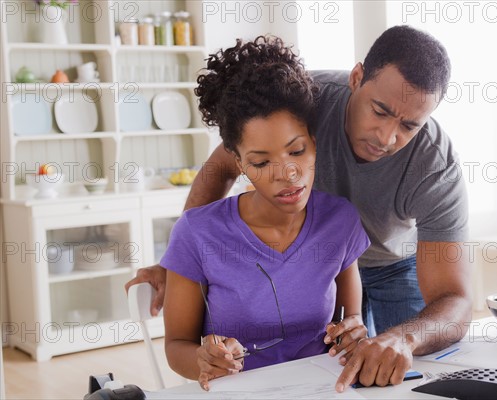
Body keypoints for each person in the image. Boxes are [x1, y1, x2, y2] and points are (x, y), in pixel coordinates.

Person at [126, 25, 472, 391]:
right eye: (380, 111)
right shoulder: (302, 101)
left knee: (406, 374)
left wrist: (404, 338)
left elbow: (456, 301)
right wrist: (180, 262)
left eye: (409, 125)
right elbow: (223, 166)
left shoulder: (435, 163)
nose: (386, 138)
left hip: (389, 259)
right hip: (312, 256)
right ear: (356, 78)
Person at [159, 36, 370, 391]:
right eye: (260, 161)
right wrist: (203, 361)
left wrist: (353, 335)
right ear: (238, 162)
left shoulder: (340, 221)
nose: (287, 174)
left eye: (297, 151)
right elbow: (176, 345)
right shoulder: (197, 233)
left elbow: (351, 322)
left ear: (314, 144)